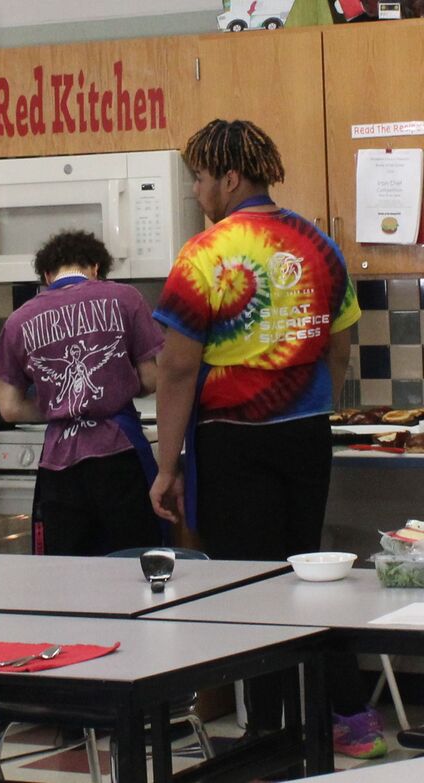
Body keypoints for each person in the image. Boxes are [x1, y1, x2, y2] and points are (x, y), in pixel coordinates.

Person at [149, 119, 374, 756]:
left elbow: (177, 366)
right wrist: (315, 407)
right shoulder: (319, 244)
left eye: (198, 176)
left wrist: (166, 467)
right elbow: (338, 349)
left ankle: (270, 738)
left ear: (229, 176)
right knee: (304, 575)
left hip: (234, 441)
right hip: (306, 436)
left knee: (251, 591)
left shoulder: (207, 253)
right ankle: (345, 724)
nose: (196, 191)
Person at [0, 230, 164, 555]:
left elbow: (10, 408)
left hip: (60, 466)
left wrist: (63, 405)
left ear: (46, 274)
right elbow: (152, 378)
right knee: (136, 562)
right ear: (96, 267)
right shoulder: (126, 299)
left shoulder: (18, 321)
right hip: (121, 454)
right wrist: (110, 392)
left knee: (69, 574)